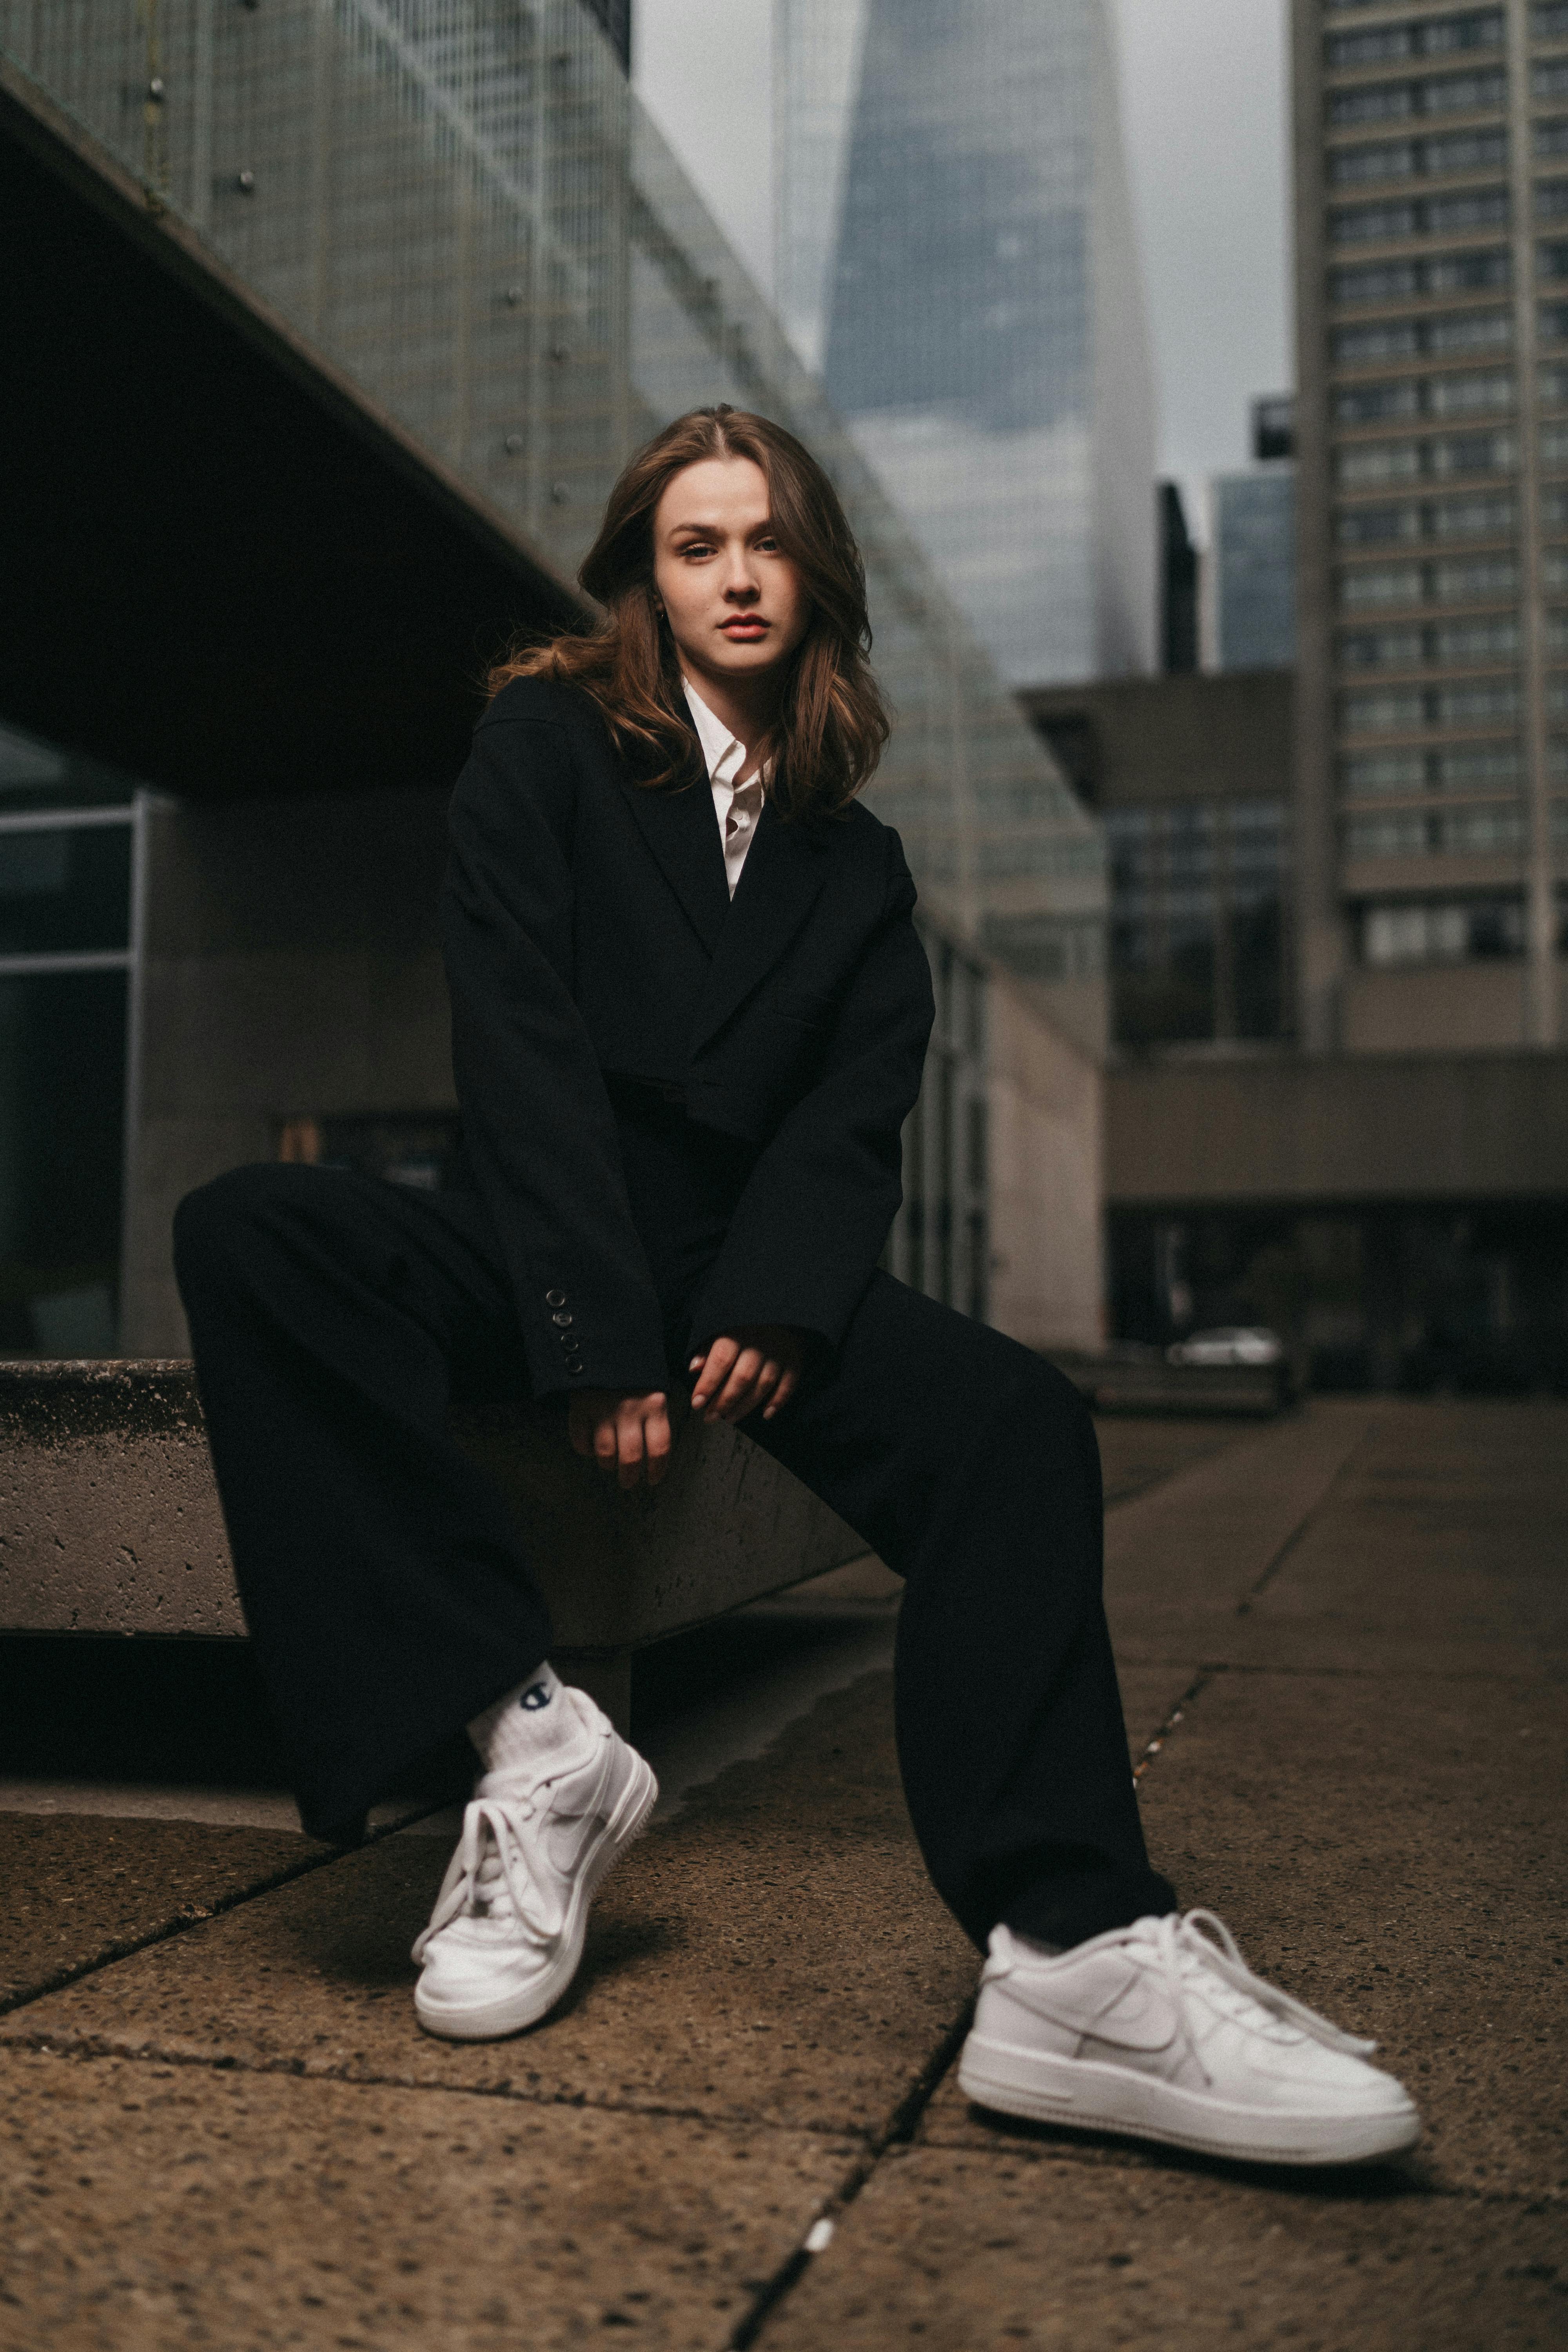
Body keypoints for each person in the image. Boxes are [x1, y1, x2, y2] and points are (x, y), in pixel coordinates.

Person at [174, 406, 1418, 2168]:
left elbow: (849, 1120)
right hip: (544, 1237)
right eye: (695, 547)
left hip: (748, 1281)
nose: (735, 576)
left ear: (810, 572)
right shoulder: (544, 749)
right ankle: (529, 1745)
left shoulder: (856, 865)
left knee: (1017, 1426)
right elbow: (515, 1039)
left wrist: (772, 1301)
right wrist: (597, 1332)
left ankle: (1071, 1960)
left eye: (764, 544)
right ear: (646, 580)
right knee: (254, 1232)